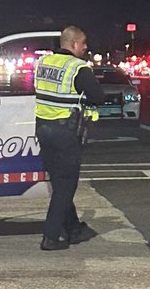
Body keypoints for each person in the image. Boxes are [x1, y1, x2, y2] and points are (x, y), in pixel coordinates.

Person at [34, 25, 106, 251]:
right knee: (66, 186)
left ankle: (74, 229)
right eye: (83, 43)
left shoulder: (42, 63)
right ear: (74, 44)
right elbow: (98, 97)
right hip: (65, 132)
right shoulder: (78, 67)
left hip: (43, 130)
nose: (85, 47)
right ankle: (51, 237)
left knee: (59, 183)